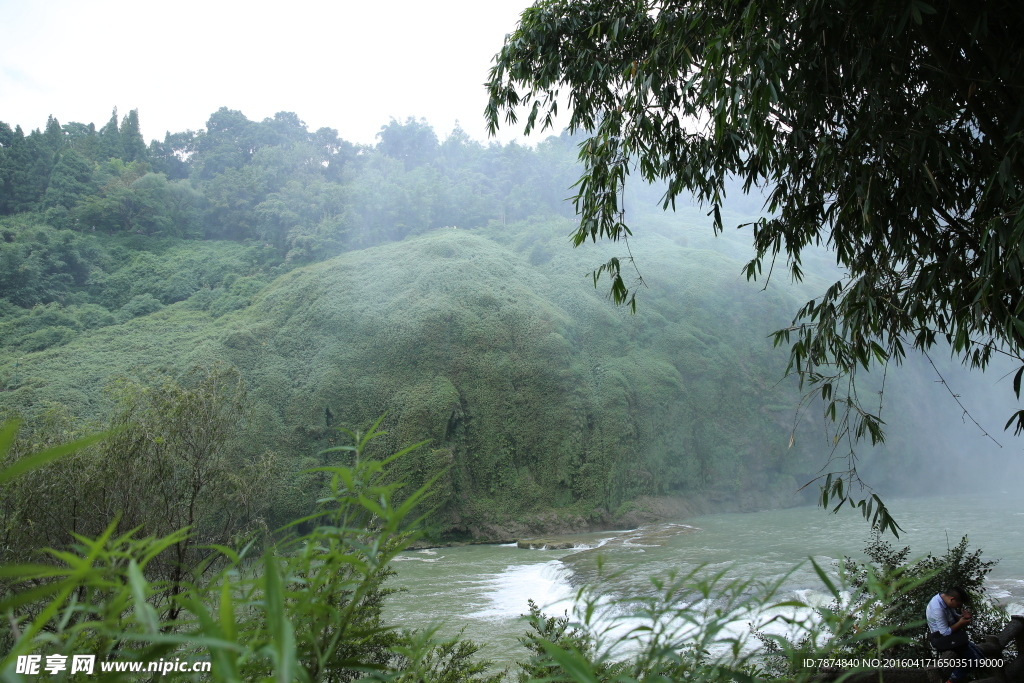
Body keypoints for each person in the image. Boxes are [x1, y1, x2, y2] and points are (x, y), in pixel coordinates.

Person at [926, 587, 983, 682]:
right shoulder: (938, 609)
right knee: (974, 661)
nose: (958, 607)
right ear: (952, 599)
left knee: (980, 657)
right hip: (942, 640)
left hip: (953, 637)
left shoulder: (944, 600)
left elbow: (953, 618)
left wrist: (962, 617)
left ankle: (954, 677)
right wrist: (961, 623)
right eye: (958, 605)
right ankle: (951, 679)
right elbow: (945, 632)